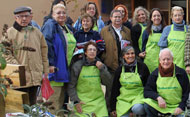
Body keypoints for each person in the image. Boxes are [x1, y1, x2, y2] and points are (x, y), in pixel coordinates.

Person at [1, 6, 49, 105]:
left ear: (30, 17)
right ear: (16, 18)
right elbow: (5, 53)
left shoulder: (36, 32)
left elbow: (44, 52)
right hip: (18, 77)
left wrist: (45, 70)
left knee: (32, 105)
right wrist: (17, 67)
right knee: (20, 106)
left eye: (26, 16)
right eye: (21, 16)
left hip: (35, 76)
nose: (24, 19)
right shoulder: (9, 33)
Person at [41, 3, 75, 114]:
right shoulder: (50, 25)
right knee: (52, 104)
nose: (61, 15)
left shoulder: (66, 27)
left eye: (64, 13)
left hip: (64, 70)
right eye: (58, 13)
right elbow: (46, 44)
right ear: (52, 14)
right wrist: (50, 64)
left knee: (60, 106)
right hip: (54, 71)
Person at [68, 41, 111, 116]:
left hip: (98, 102)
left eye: (94, 50)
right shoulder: (77, 66)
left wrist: (102, 69)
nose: (92, 52)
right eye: (90, 50)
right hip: (82, 102)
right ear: (85, 52)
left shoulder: (100, 65)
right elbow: (71, 86)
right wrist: (76, 101)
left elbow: (108, 82)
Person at [100, 9, 131, 112]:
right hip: (110, 65)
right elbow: (101, 47)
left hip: (123, 65)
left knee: (122, 89)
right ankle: (109, 111)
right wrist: (104, 58)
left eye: (119, 17)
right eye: (115, 17)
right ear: (111, 18)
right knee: (110, 90)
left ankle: (121, 111)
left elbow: (130, 46)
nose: (117, 19)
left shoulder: (127, 31)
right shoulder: (104, 31)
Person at [144, 48, 190, 117]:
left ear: (172, 59)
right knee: (147, 105)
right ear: (159, 60)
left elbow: (186, 93)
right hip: (162, 106)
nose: (166, 62)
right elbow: (147, 91)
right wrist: (158, 97)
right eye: (163, 59)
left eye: (168, 59)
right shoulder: (155, 74)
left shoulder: (181, 73)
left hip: (177, 107)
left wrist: (181, 107)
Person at [110, 46, 149, 117]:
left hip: (138, 97)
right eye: (127, 54)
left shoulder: (142, 67)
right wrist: (113, 108)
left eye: (132, 53)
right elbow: (114, 89)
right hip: (124, 99)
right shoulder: (119, 70)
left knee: (137, 109)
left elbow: (148, 85)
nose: (130, 56)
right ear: (123, 56)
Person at [158, 6, 188, 70]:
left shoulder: (188, 29)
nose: (177, 17)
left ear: (182, 16)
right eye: (175, 15)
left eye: (179, 15)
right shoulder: (167, 29)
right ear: (172, 17)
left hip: (185, 65)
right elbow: (162, 48)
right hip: (169, 64)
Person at [139, 8, 166, 73]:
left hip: (163, 61)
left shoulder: (166, 30)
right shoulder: (146, 31)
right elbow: (143, 48)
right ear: (151, 18)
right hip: (149, 62)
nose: (156, 17)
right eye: (154, 16)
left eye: (158, 15)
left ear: (161, 17)